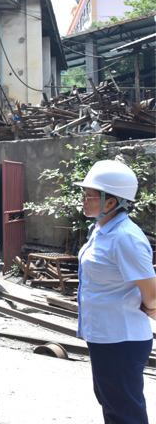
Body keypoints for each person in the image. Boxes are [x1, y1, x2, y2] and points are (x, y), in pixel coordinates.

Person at [74, 160, 156, 424]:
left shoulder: (125, 237)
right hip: (104, 335)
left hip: (121, 339)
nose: (83, 200)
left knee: (124, 412)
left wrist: (149, 307)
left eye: (89, 195)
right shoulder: (101, 230)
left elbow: (152, 294)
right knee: (111, 404)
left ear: (110, 202)